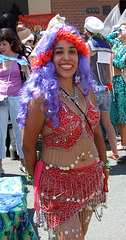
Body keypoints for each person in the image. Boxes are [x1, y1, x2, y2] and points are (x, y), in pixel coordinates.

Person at [17, 23, 109, 240]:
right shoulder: (41, 98)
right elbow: (28, 146)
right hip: (58, 187)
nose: (66, 57)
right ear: (48, 57)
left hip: (90, 180)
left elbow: (96, 133)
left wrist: (104, 167)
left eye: (72, 51)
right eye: (59, 52)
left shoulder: (85, 90)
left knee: (81, 236)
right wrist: (40, 181)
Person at [84, 16, 119, 160]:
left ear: (87, 31)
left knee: (92, 124)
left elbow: (84, 69)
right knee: (107, 122)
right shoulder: (107, 46)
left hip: (93, 91)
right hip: (106, 90)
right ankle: (115, 152)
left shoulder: (89, 45)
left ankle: (96, 155)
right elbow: (110, 69)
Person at [0, 28, 29, 175]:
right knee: (0, 132)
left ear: (11, 43)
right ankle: (0, 165)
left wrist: (26, 71)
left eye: (4, 44)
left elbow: (30, 81)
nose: (1, 47)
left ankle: (22, 161)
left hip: (17, 97)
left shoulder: (21, 59)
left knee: (20, 131)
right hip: (1, 99)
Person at [106, 23, 126, 151]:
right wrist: (119, 31)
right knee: (117, 114)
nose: (119, 31)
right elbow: (108, 37)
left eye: (121, 30)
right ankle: (123, 141)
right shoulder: (118, 44)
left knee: (122, 114)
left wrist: (110, 58)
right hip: (114, 80)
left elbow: (120, 64)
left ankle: (124, 143)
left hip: (122, 82)